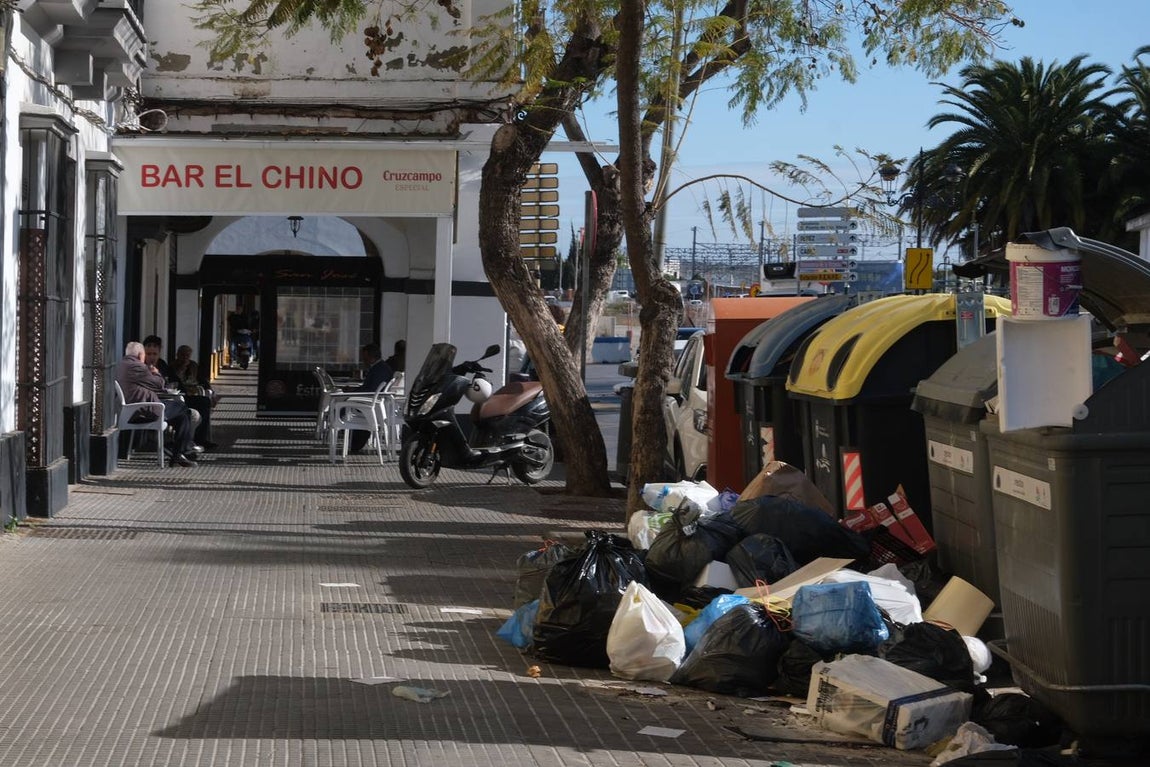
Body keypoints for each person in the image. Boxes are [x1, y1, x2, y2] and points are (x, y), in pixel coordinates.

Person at [117, 341, 199, 467]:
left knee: (183, 417)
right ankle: (183, 449)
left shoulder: (123, 364)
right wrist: (155, 372)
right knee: (182, 407)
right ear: (140, 355)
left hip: (136, 408)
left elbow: (146, 385)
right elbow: (159, 384)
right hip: (143, 410)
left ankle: (178, 453)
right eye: (145, 354)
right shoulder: (137, 367)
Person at [144, 336, 207, 444]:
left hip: (173, 396)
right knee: (189, 414)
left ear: (159, 351)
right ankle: (185, 444)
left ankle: (199, 439)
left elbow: (174, 380)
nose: (152, 357)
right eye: (149, 354)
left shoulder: (162, 364)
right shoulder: (141, 367)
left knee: (204, 401)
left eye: (155, 354)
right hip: (159, 401)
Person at [347, 342, 395, 452]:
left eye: (365, 357)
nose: (363, 360)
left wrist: (354, 391)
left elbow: (371, 390)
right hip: (372, 401)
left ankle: (350, 439)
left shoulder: (380, 369)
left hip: (371, 404)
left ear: (371, 357)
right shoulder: (379, 367)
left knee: (344, 405)